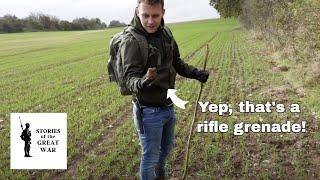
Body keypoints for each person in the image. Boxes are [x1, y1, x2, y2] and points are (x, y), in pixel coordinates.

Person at [122, 0, 209, 179]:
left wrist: (196, 73)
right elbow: (129, 78)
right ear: (137, 11)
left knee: (166, 149)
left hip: (167, 105)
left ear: (163, 12)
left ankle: (160, 176)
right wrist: (143, 82)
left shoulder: (166, 33)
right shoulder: (132, 41)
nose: (150, 21)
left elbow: (176, 62)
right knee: (150, 157)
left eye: (155, 15)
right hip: (148, 111)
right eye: (145, 15)